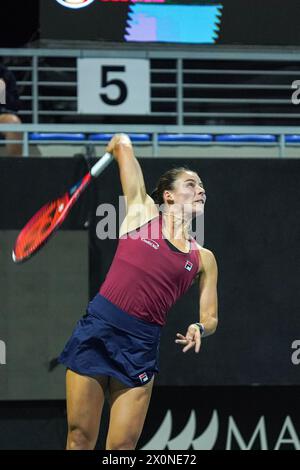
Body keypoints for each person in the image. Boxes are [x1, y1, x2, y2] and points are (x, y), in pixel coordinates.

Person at [59, 133, 218, 450]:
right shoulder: (141, 211)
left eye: (202, 186)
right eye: (190, 184)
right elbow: (124, 147)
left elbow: (210, 317)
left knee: (121, 450)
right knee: (79, 438)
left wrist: (199, 327)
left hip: (140, 347)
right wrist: (120, 142)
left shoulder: (203, 258)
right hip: (97, 330)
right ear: (169, 196)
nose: (200, 190)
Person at [0, 62, 22, 156]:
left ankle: (15, 167)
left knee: (13, 122)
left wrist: (2, 92)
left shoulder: (4, 73)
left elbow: (14, 106)